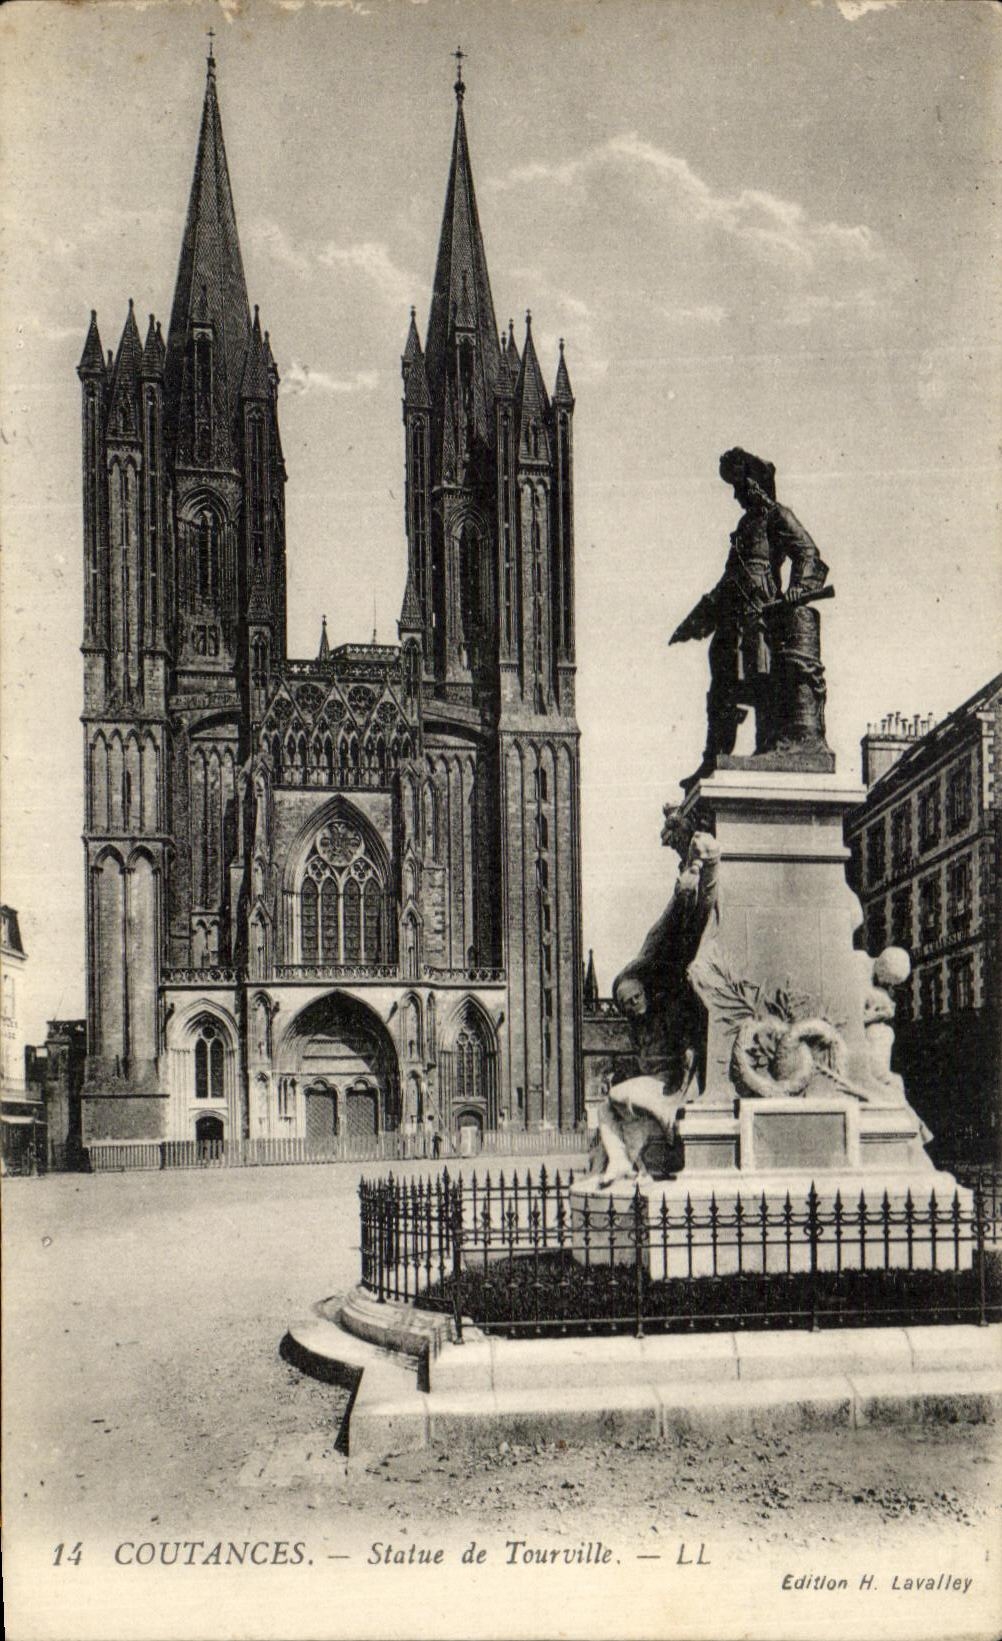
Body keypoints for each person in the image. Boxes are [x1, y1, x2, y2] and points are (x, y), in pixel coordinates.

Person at [670, 447, 830, 778]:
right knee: (721, 685)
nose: (735, 496)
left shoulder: (777, 516)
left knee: (763, 679)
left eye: (738, 488)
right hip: (734, 618)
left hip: (762, 616)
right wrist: (698, 619)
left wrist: (798, 586)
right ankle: (714, 755)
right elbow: (729, 580)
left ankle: (770, 746)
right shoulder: (744, 527)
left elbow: (808, 552)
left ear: (753, 486)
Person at [595, 824, 720, 1185]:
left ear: (646, 991)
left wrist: (690, 882)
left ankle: (662, 1120)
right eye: (626, 1003)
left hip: (672, 1086)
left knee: (618, 1096)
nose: (633, 1005)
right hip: (659, 1086)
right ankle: (622, 1163)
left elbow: (670, 929)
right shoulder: (643, 1024)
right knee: (610, 1106)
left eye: (635, 997)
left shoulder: (667, 998)